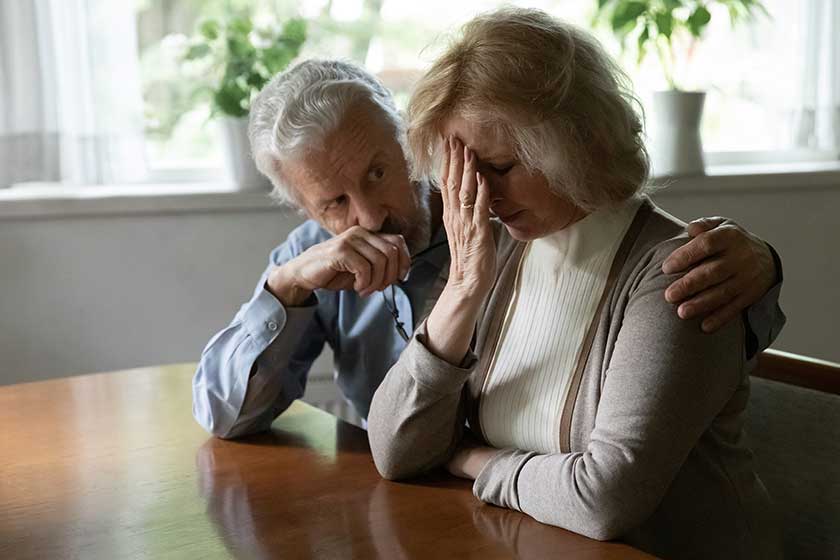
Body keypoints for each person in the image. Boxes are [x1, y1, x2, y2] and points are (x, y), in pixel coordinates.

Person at [367, 9, 782, 560]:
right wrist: (464, 287)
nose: (480, 199)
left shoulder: (677, 273)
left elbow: (603, 499)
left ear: (577, 143)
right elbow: (396, 450)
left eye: (499, 166)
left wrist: (471, 459)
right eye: (464, 173)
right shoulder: (496, 251)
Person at [192, 58, 784, 442]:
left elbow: (642, 280)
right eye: (334, 203)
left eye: (377, 172)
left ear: (405, 138)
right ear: (303, 209)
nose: (369, 215)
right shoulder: (309, 257)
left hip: (531, 502)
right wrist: (286, 288)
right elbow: (223, 415)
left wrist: (762, 265)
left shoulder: (510, 212)